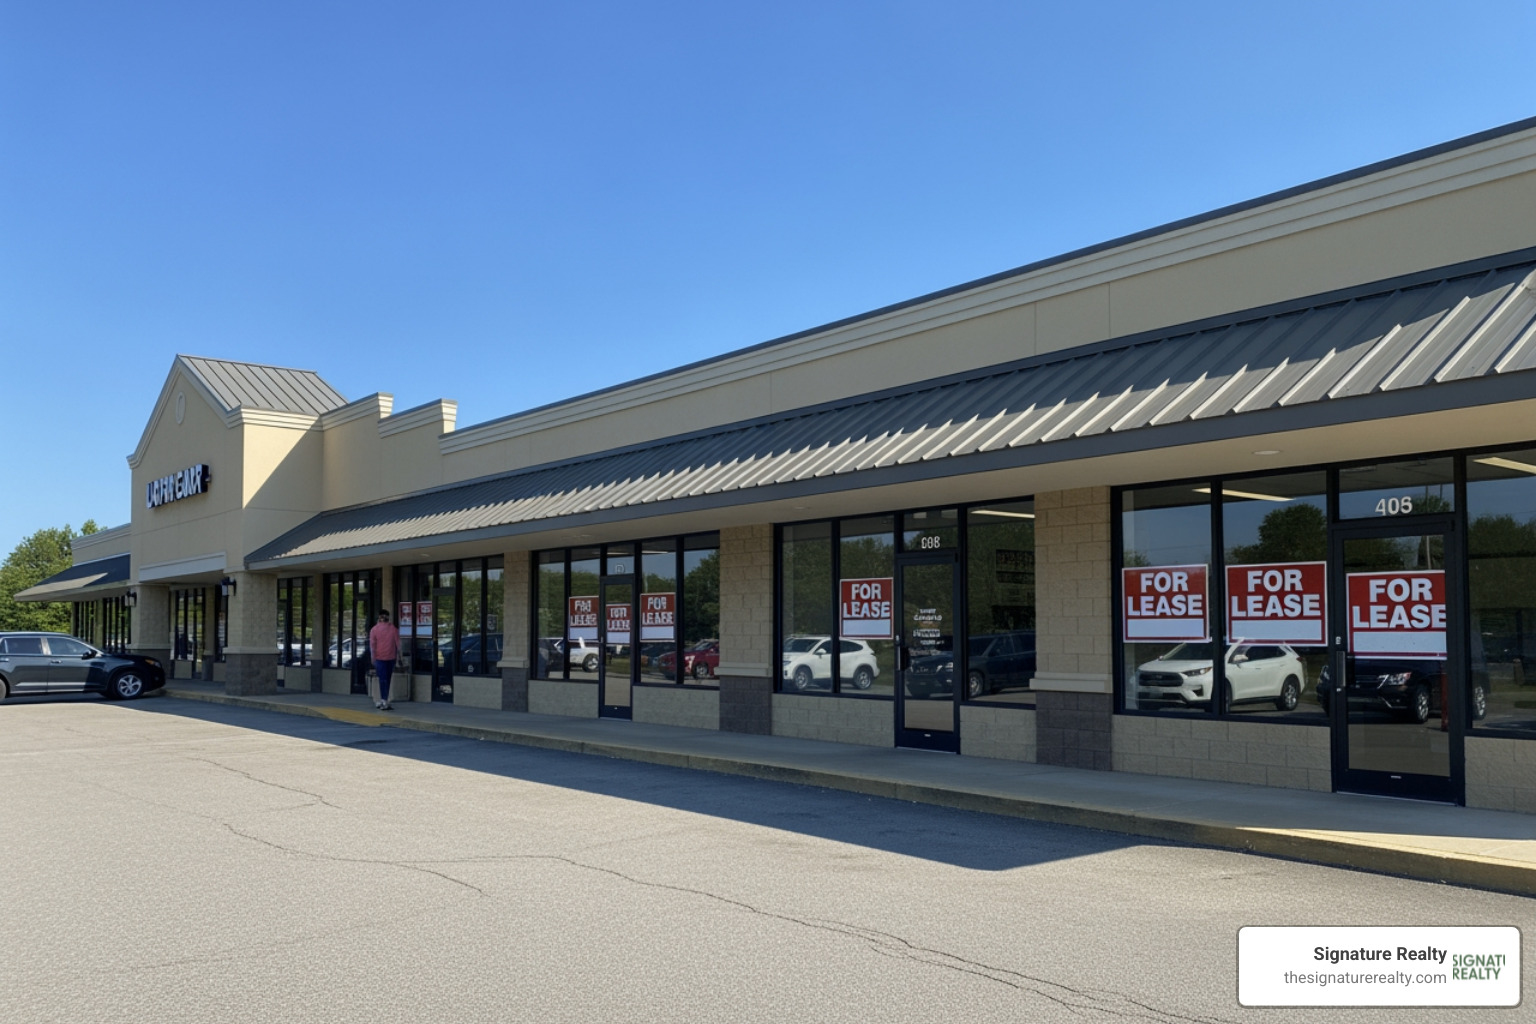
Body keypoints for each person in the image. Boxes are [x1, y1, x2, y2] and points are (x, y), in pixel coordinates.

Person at [368, 610, 400, 711]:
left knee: (382, 679)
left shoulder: (374, 630)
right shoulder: (393, 629)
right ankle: (385, 699)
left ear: (379, 617)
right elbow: (398, 645)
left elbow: (372, 646)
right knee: (388, 679)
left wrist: (372, 658)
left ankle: (383, 700)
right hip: (391, 658)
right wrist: (400, 657)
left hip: (379, 658)